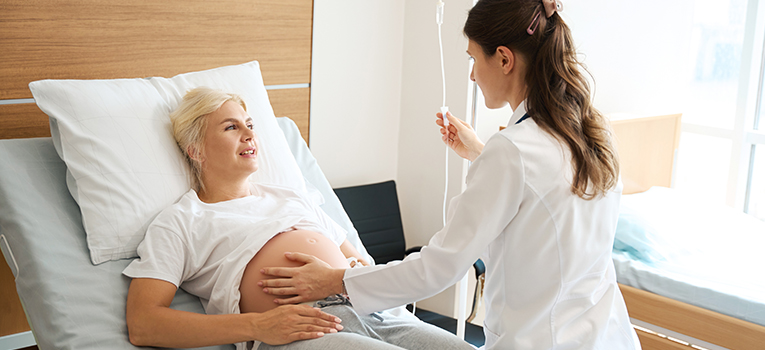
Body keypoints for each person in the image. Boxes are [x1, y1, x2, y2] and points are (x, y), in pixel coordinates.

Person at [258, 0, 643, 349]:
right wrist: (480, 152)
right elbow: (547, 197)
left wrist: (336, 280)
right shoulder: (592, 130)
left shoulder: (512, 152)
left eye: (474, 58)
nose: (473, 74)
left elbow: (438, 268)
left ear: (505, 59)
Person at [122, 87, 475, 350]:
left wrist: (355, 267)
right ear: (195, 150)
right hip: (301, 334)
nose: (249, 134)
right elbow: (143, 323)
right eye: (230, 127)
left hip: (370, 314)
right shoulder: (182, 222)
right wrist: (258, 325)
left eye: (249, 124)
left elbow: (359, 260)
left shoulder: (293, 196)